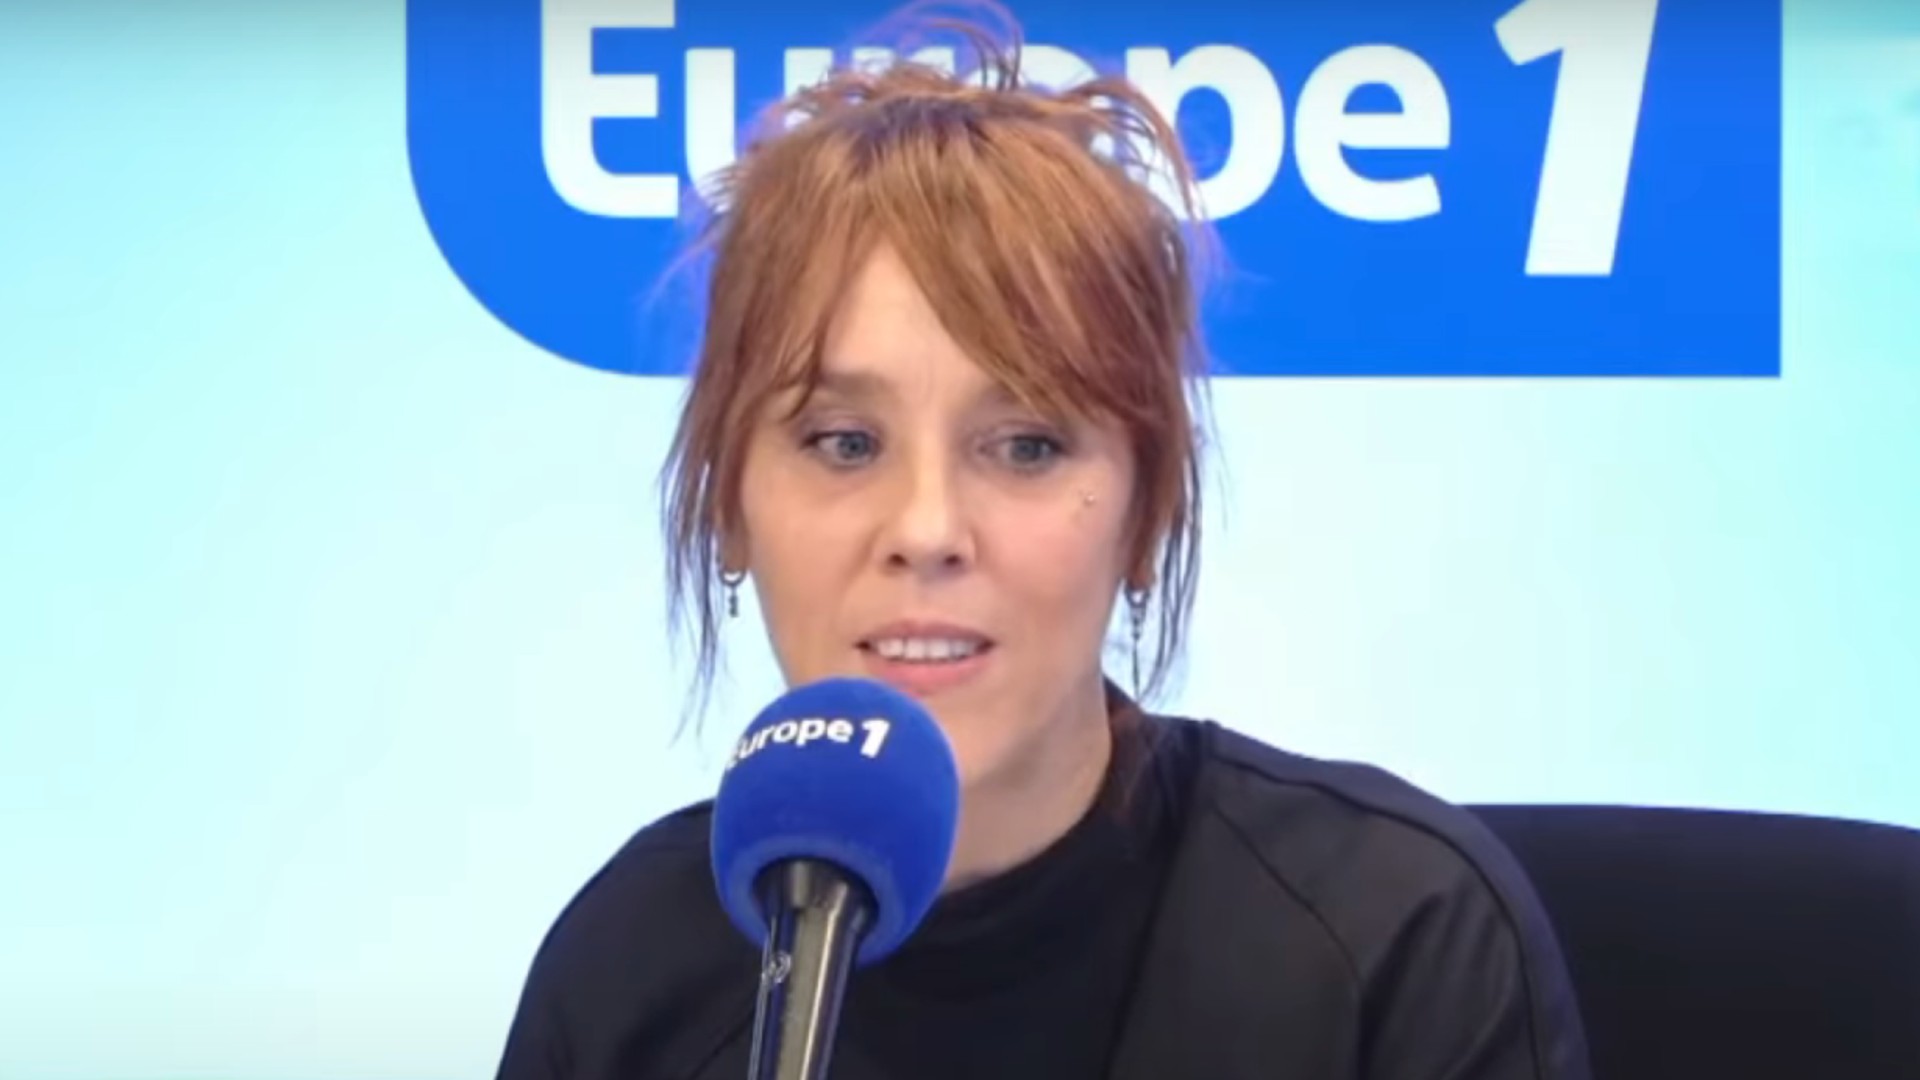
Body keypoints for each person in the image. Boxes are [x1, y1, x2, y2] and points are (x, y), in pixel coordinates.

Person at [494, 8, 1593, 1079]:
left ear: (1145, 516)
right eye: (843, 442)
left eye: (1025, 446)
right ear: (731, 507)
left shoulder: (1395, 940)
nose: (927, 530)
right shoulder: (627, 974)